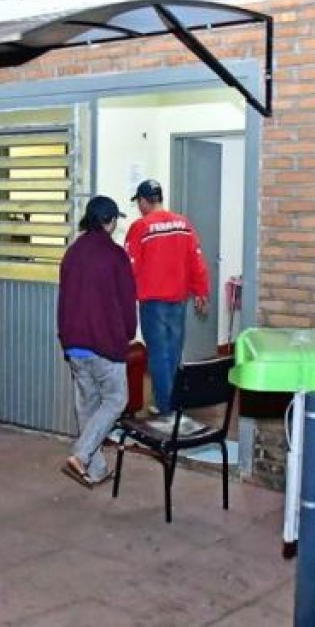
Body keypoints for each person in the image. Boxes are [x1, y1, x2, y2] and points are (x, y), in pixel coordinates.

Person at [57, 195, 137, 488]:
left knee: (88, 407)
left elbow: (64, 298)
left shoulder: (72, 253)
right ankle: (81, 454)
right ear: (110, 221)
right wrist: (128, 333)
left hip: (75, 344)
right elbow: (127, 301)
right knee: (116, 399)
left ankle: (96, 469)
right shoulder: (115, 256)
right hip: (105, 343)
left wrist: (65, 336)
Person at [124, 179, 210, 434]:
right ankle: (169, 402)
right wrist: (201, 291)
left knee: (159, 356)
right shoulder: (183, 224)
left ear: (143, 201)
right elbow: (196, 261)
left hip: (153, 303)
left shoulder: (141, 227)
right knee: (172, 354)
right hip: (178, 300)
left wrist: (124, 298)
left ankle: (166, 410)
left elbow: (130, 266)